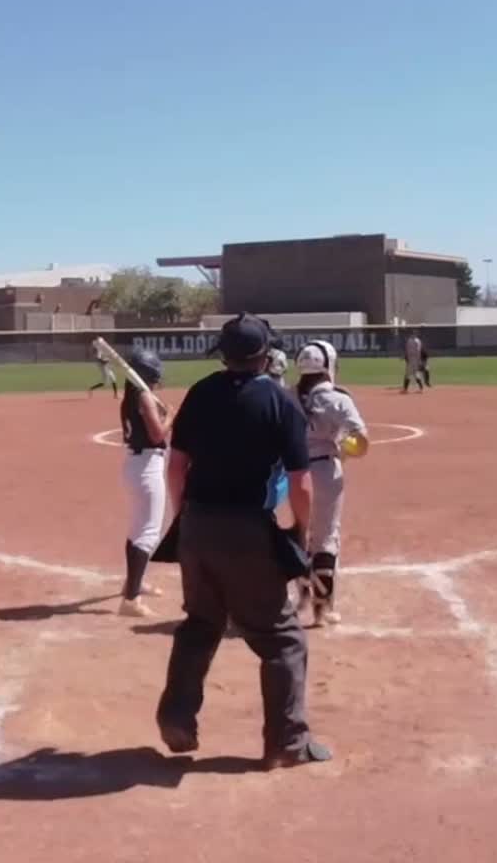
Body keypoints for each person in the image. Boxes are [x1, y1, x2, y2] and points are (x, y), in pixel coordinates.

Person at [156, 314, 331, 770]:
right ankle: (287, 743)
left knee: (200, 624)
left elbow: (175, 467)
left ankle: (176, 716)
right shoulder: (278, 401)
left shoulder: (200, 393)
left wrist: (185, 518)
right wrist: (300, 532)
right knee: (282, 640)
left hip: (196, 525)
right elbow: (301, 482)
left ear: (224, 353)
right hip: (246, 528)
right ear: (265, 354)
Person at [292, 340, 369, 627]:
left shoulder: (289, 395)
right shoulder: (338, 399)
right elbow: (361, 440)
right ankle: (322, 609)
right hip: (324, 471)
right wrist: (347, 449)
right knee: (325, 538)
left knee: (301, 534)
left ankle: (300, 596)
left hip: (293, 472)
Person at [116, 349, 171, 618]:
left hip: (135, 466)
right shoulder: (145, 397)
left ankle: (132, 583)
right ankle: (131, 599)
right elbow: (158, 434)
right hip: (147, 467)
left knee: (138, 529)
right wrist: (169, 415)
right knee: (148, 533)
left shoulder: (130, 398)